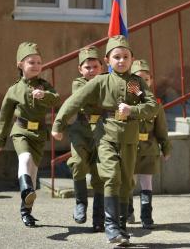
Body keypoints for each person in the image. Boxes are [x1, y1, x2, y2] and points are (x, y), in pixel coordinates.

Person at [51, 35, 158, 245]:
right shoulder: (101, 81)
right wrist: (58, 124)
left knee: (127, 181)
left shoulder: (134, 85)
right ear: (107, 61)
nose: (121, 60)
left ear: (131, 58)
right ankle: (110, 227)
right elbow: (75, 100)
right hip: (105, 135)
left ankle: (121, 227)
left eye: (125, 56)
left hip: (129, 137)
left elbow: (152, 105)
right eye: (116, 57)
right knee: (112, 175)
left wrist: (133, 109)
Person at [0, 42, 60, 227]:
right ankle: (26, 189)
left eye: (39, 62)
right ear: (20, 64)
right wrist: (0, 140)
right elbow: (5, 117)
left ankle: (26, 212)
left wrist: (44, 95)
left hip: (38, 133)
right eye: (32, 62)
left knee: (33, 172)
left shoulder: (45, 86)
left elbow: (56, 99)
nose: (37, 65)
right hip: (20, 131)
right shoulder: (13, 90)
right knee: (25, 159)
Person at [128, 59, 172, 229]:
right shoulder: (127, 104)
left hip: (149, 149)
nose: (142, 83)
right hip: (130, 148)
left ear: (151, 80)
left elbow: (162, 129)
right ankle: (128, 211)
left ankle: (146, 216)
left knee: (147, 183)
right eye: (138, 79)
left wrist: (166, 147)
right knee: (129, 182)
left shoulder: (155, 104)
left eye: (146, 79)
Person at [66, 46, 105, 232]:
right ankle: (80, 203)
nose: (91, 70)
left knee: (100, 173)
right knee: (78, 163)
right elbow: (87, 99)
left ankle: (99, 218)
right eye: (87, 67)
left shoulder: (108, 81)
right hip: (80, 130)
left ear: (102, 67)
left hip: (102, 130)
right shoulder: (78, 83)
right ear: (80, 70)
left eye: (95, 67)